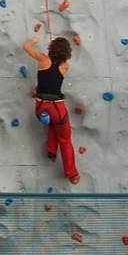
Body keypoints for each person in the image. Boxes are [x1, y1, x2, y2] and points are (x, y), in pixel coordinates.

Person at [23, 31, 80, 184]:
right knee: (65, 138)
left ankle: (51, 151)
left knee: (53, 126)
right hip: (57, 108)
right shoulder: (65, 66)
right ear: (67, 54)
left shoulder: (42, 59)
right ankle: (72, 173)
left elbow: (26, 47)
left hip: (40, 107)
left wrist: (34, 40)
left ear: (51, 48)